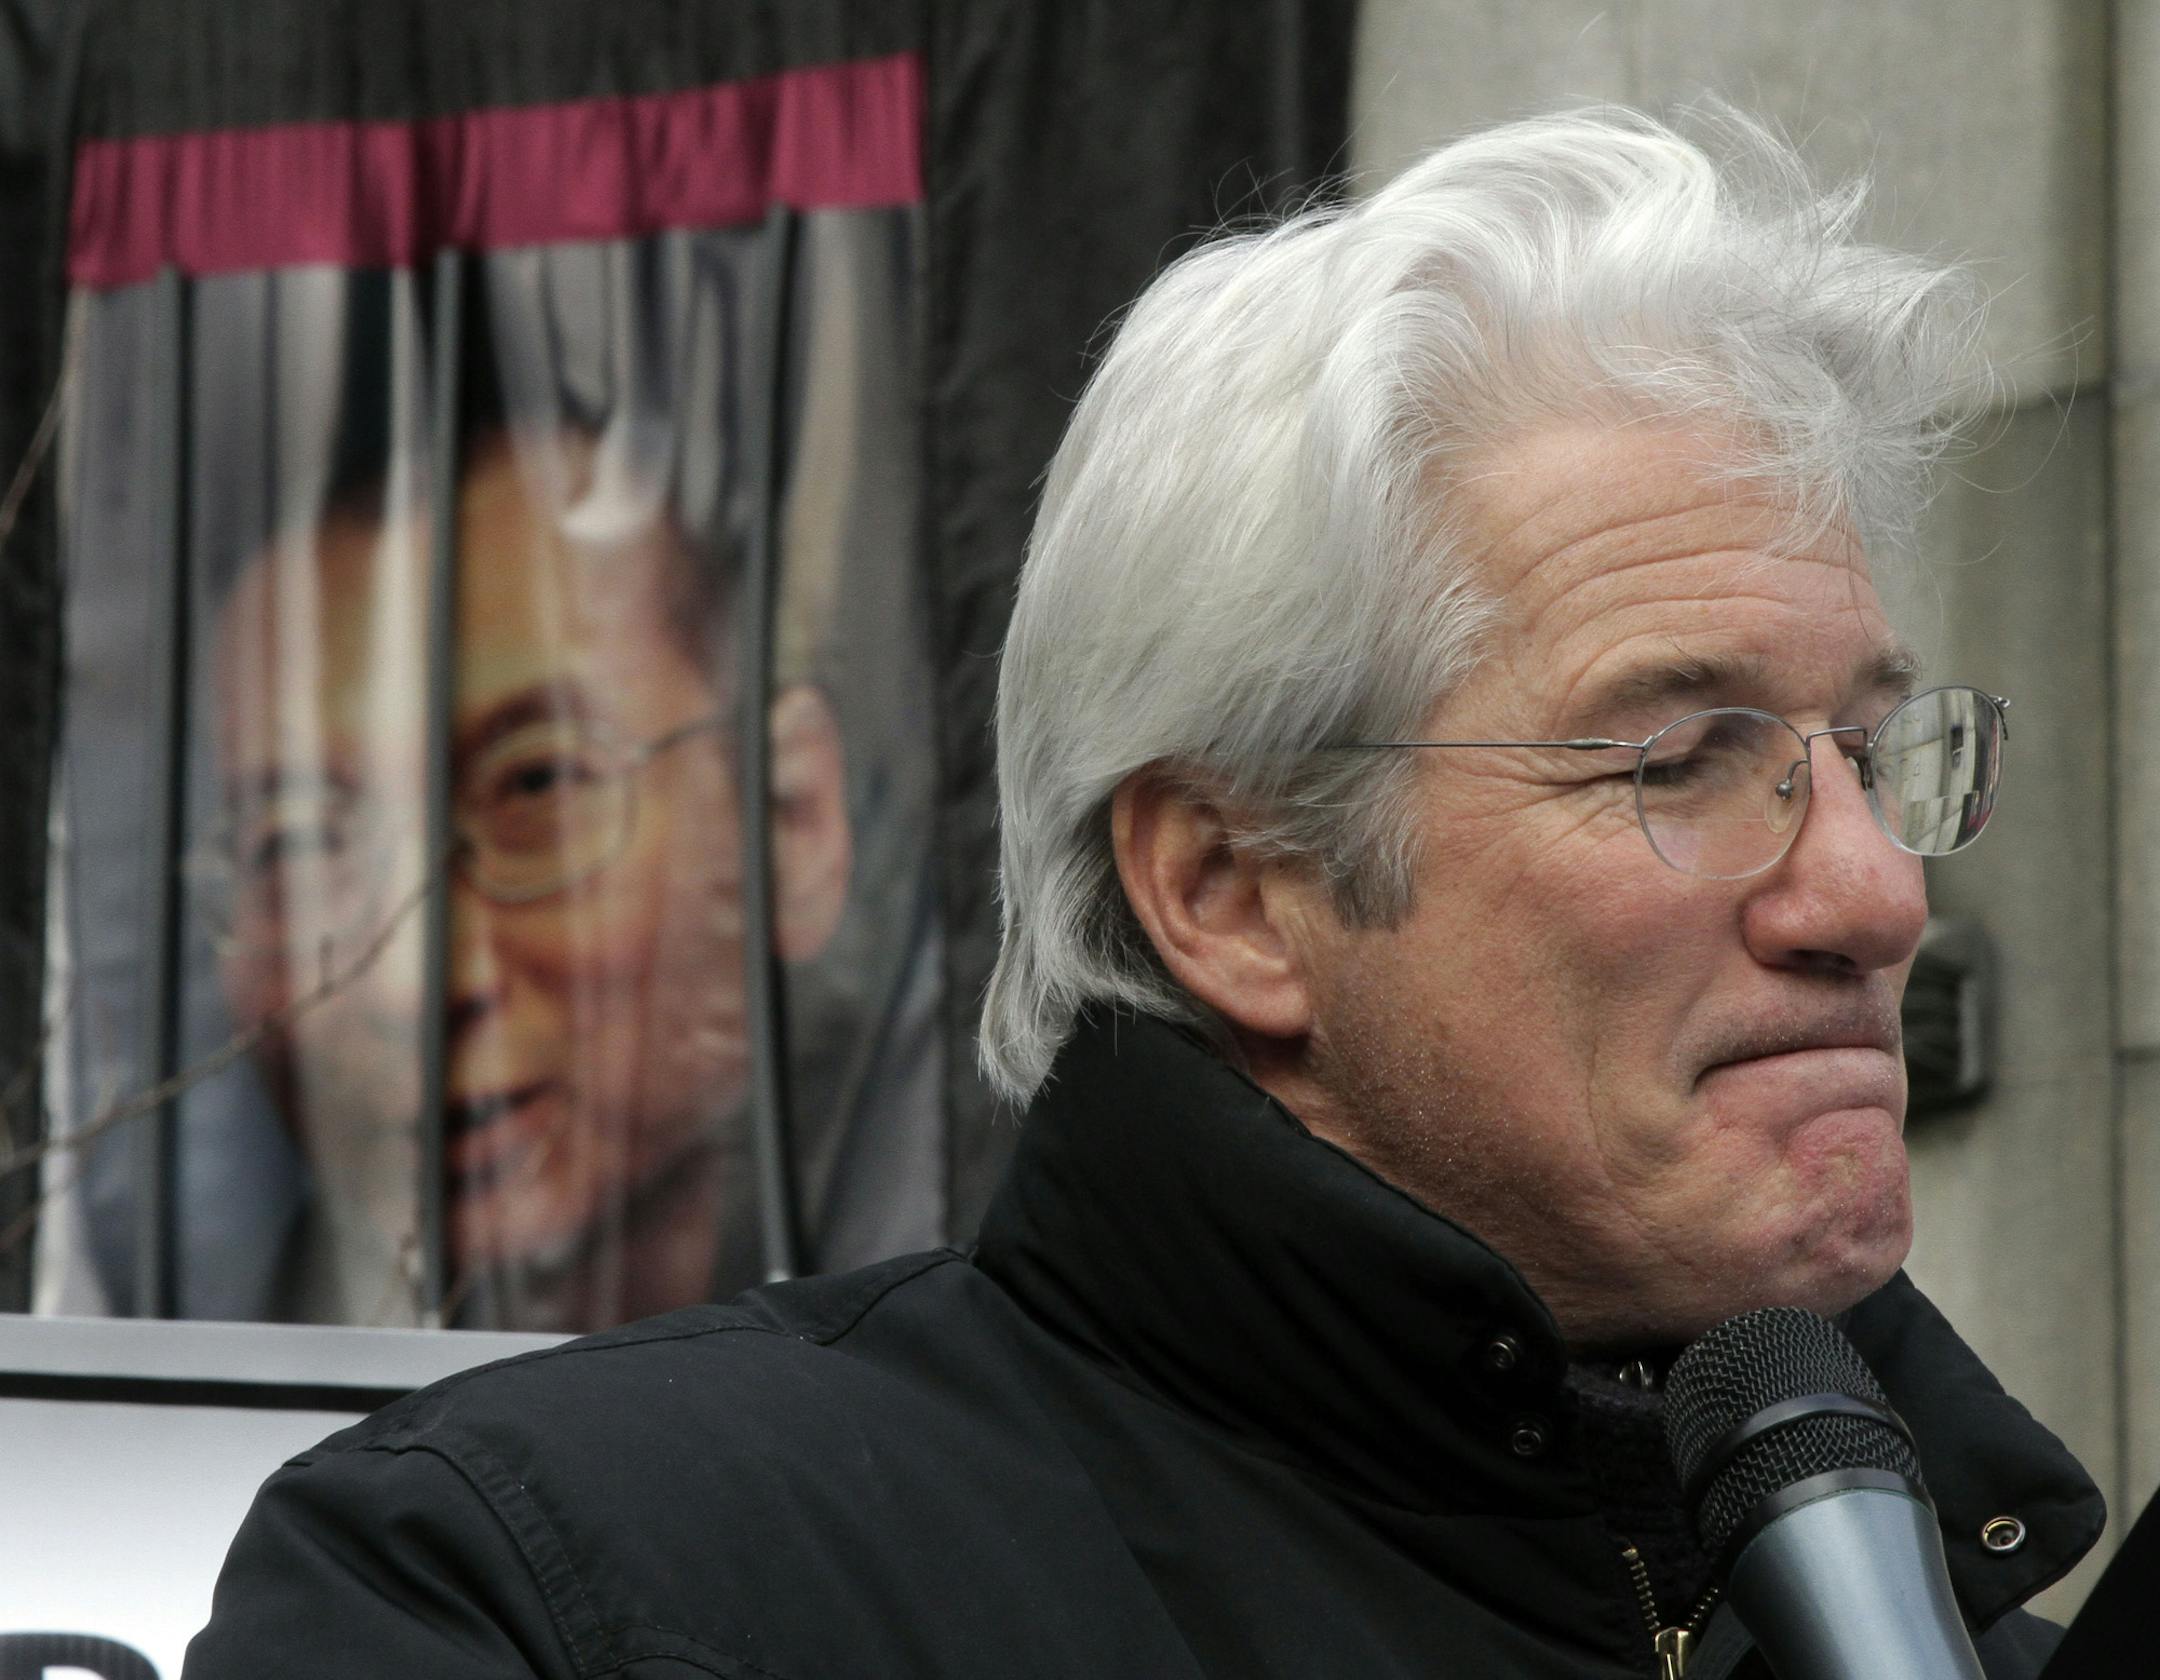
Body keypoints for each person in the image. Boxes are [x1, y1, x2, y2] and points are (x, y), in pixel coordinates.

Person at [186, 110, 2102, 1677]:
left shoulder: (1964, 1641)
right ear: (1232, 892)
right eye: (1680, 756)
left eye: (1865, 751)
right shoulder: (543, 1589)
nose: (1870, 895)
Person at [208, 429, 852, 1329]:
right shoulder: (157, 1393)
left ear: (792, 823)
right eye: (302, 843)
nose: (410, 984)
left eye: (539, 784)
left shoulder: (956, 1411)